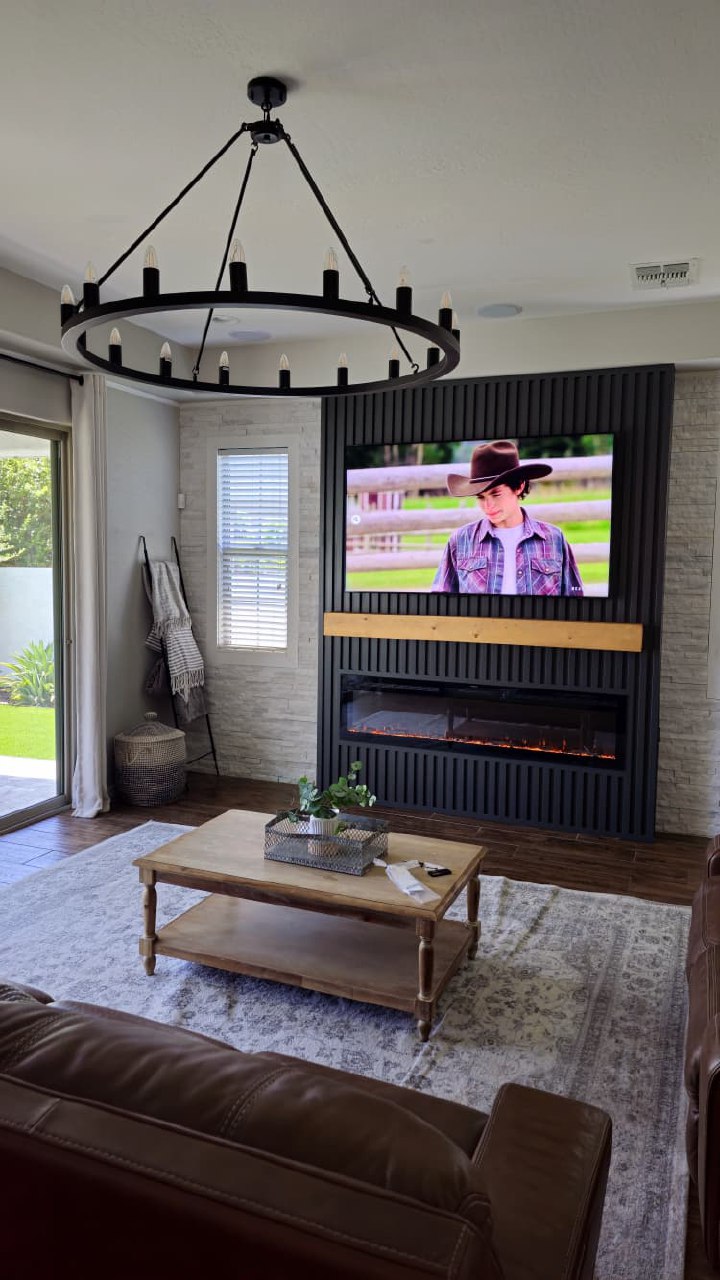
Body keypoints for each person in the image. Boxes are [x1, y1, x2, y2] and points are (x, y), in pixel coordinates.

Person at [431, 440, 584, 596]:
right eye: (480, 497)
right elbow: (441, 598)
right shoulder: (461, 540)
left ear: (519, 486)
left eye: (496, 494)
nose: (487, 505)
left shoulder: (554, 538)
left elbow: (574, 595)